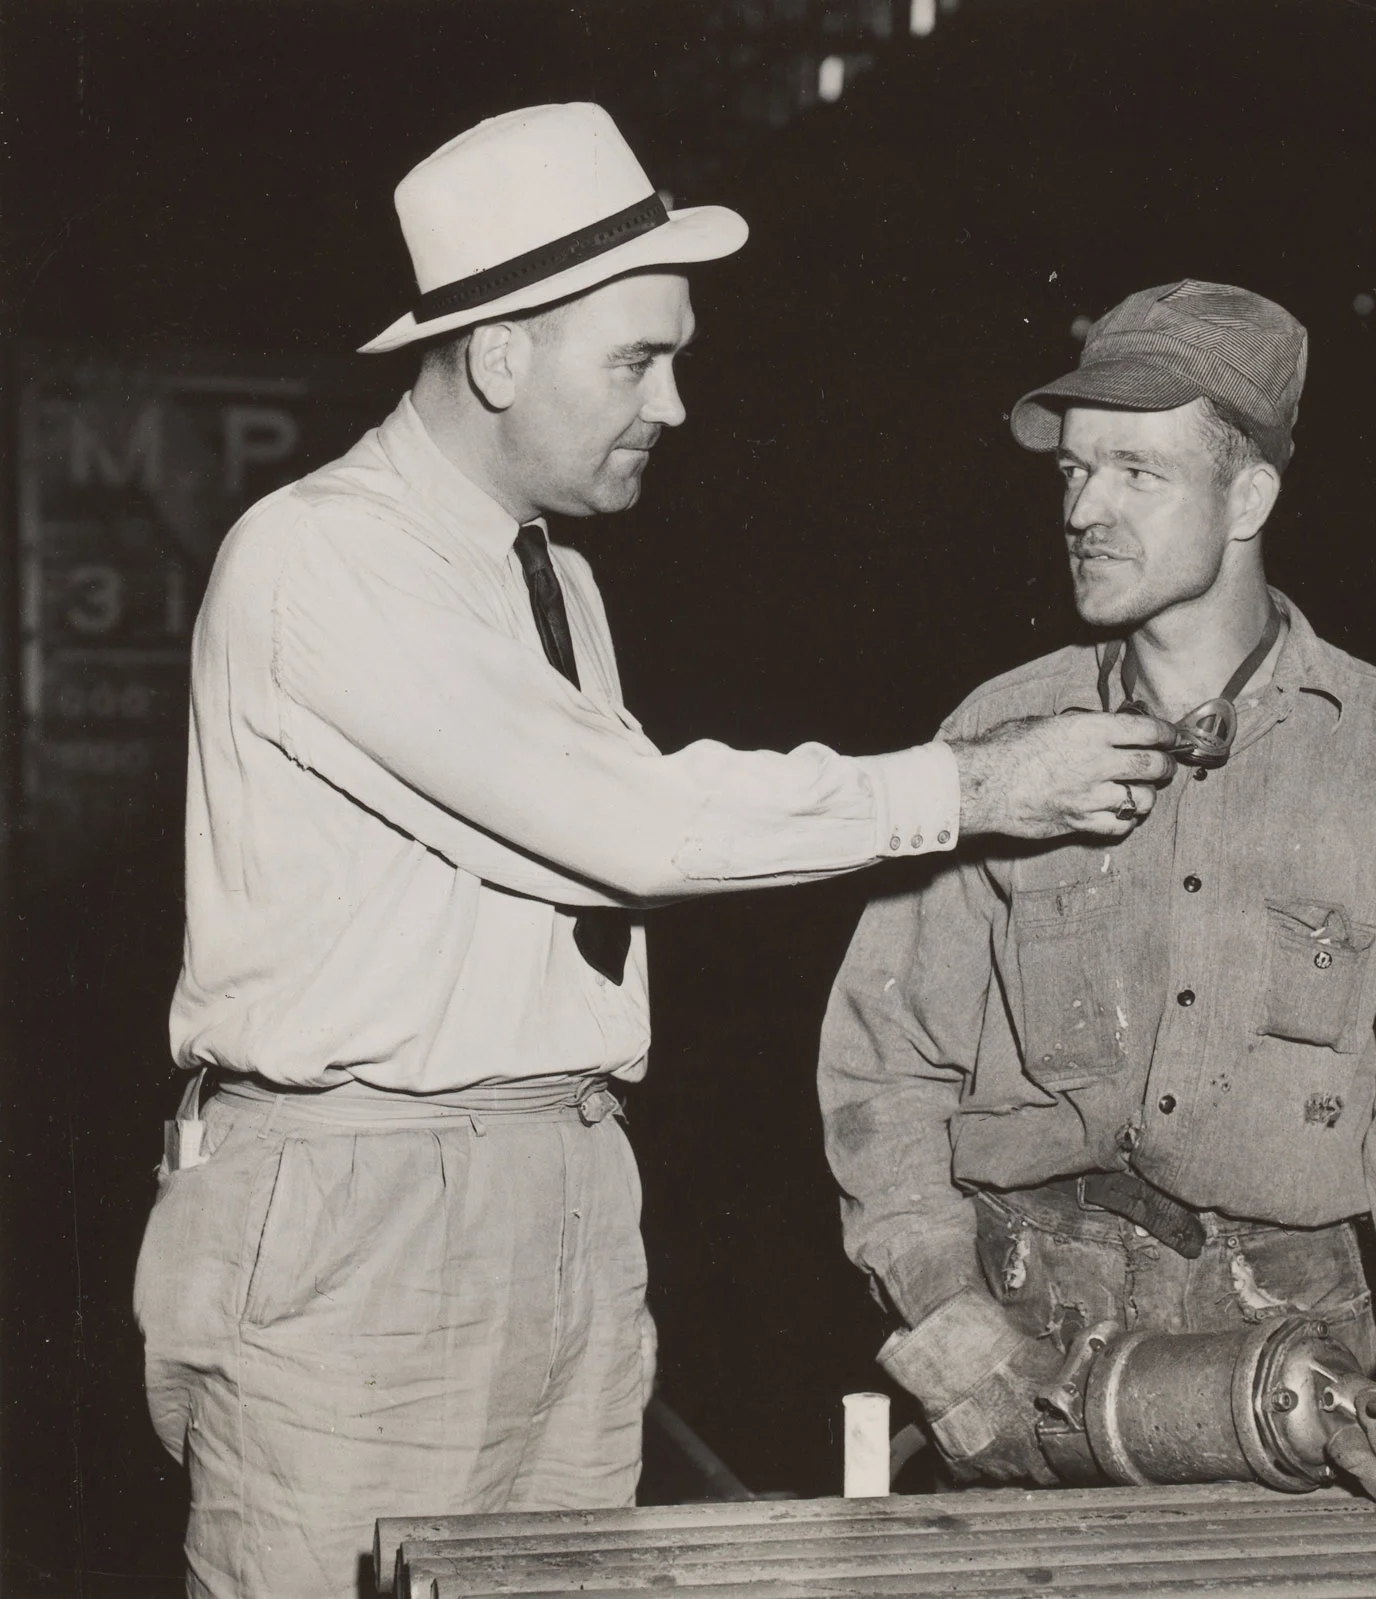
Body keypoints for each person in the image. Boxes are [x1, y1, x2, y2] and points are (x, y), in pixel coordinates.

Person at [133, 103, 1175, 1599]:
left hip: (556, 1178)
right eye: (636, 359)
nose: (675, 402)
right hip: (363, 1214)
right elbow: (631, 830)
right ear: (498, 356)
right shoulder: (323, 558)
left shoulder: (553, 576)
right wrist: (970, 783)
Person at [818, 280, 1376, 1504]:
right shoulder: (997, 741)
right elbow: (881, 1067)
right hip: (1021, 1343)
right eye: (1071, 472)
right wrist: (944, 1314)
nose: (1082, 508)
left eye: (1134, 473)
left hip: (1292, 1363)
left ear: (1249, 495)